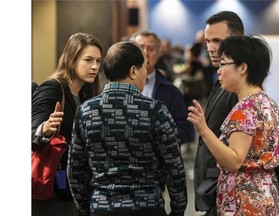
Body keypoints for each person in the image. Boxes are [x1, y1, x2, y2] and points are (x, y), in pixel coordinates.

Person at [67, 41, 187, 216]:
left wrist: (87, 207)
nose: (145, 74)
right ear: (132, 71)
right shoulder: (155, 110)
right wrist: (178, 210)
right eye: (143, 68)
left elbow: (75, 170)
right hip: (147, 208)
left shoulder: (85, 111)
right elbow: (174, 167)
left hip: (102, 207)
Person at [187, 35, 279, 215]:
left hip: (246, 202)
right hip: (267, 196)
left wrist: (203, 130)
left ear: (242, 67)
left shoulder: (245, 109)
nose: (219, 70)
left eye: (223, 64)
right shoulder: (266, 102)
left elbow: (234, 161)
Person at [32, 32, 103, 216]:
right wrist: (45, 129)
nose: (95, 66)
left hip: (79, 189)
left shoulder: (87, 95)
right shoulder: (52, 88)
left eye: (98, 61)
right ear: (72, 60)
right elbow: (31, 134)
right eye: (88, 60)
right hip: (55, 189)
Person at [193, 11, 244, 216]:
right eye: (207, 41)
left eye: (217, 40)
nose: (211, 48)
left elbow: (238, 156)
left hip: (229, 193)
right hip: (215, 193)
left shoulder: (241, 89)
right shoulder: (222, 80)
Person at [131, 30, 194, 145]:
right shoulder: (119, 87)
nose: (145, 53)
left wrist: (157, 133)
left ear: (159, 53)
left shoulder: (171, 91)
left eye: (151, 49)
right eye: (140, 47)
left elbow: (186, 131)